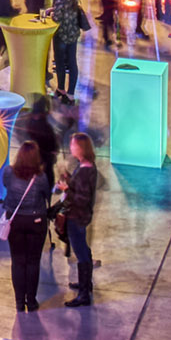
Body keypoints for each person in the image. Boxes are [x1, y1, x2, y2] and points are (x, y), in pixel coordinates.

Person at [4, 132, 55, 311]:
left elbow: (6, 185)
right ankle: (31, 301)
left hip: (15, 221)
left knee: (18, 261)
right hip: (36, 220)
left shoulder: (9, 172)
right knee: (33, 261)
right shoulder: (40, 177)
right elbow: (47, 195)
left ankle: (19, 302)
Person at [53, 125, 100, 305]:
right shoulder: (87, 166)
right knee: (84, 250)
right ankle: (85, 284)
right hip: (82, 216)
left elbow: (81, 197)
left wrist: (67, 188)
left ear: (80, 148)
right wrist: (70, 180)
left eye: (73, 145)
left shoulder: (85, 170)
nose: (71, 148)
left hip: (76, 217)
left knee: (81, 253)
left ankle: (84, 294)